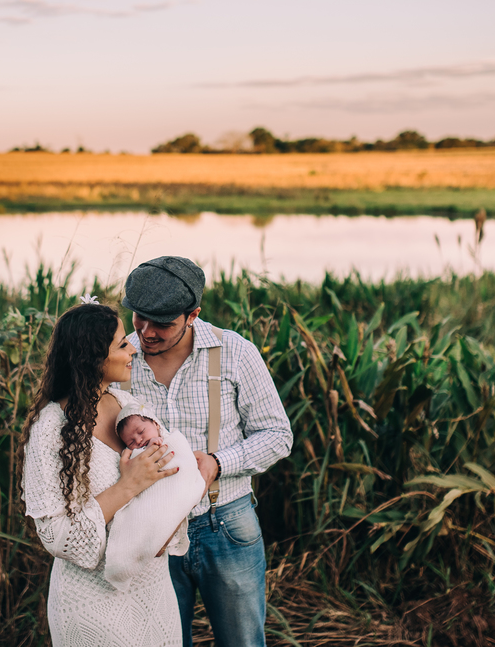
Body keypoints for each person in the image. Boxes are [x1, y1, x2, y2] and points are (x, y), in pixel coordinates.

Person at [121, 256, 294, 647]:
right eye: (138, 318)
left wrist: (217, 463)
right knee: (162, 641)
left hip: (227, 524)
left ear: (193, 314)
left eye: (162, 323)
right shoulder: (120, 358)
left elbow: (278, 434)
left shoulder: (235, 351)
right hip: (151, 532)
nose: (145, 332)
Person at [19, 302, 185, 646]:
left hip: (154, 591)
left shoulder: (131, 406)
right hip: (93, 603)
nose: (133, 350)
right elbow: (55, 535)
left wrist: (164, 531)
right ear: (92, 356)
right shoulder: (51, 428)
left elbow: (169, 479)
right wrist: (128, 485)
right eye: (122, 344)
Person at [104, 404, 206, 591]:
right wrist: (137, 452)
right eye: (131, 442)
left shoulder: (169, 440)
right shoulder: (138, 452)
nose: (139, 440)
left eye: (141, 431)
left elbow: (180, 458)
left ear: (155, 424)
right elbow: (136, 466)